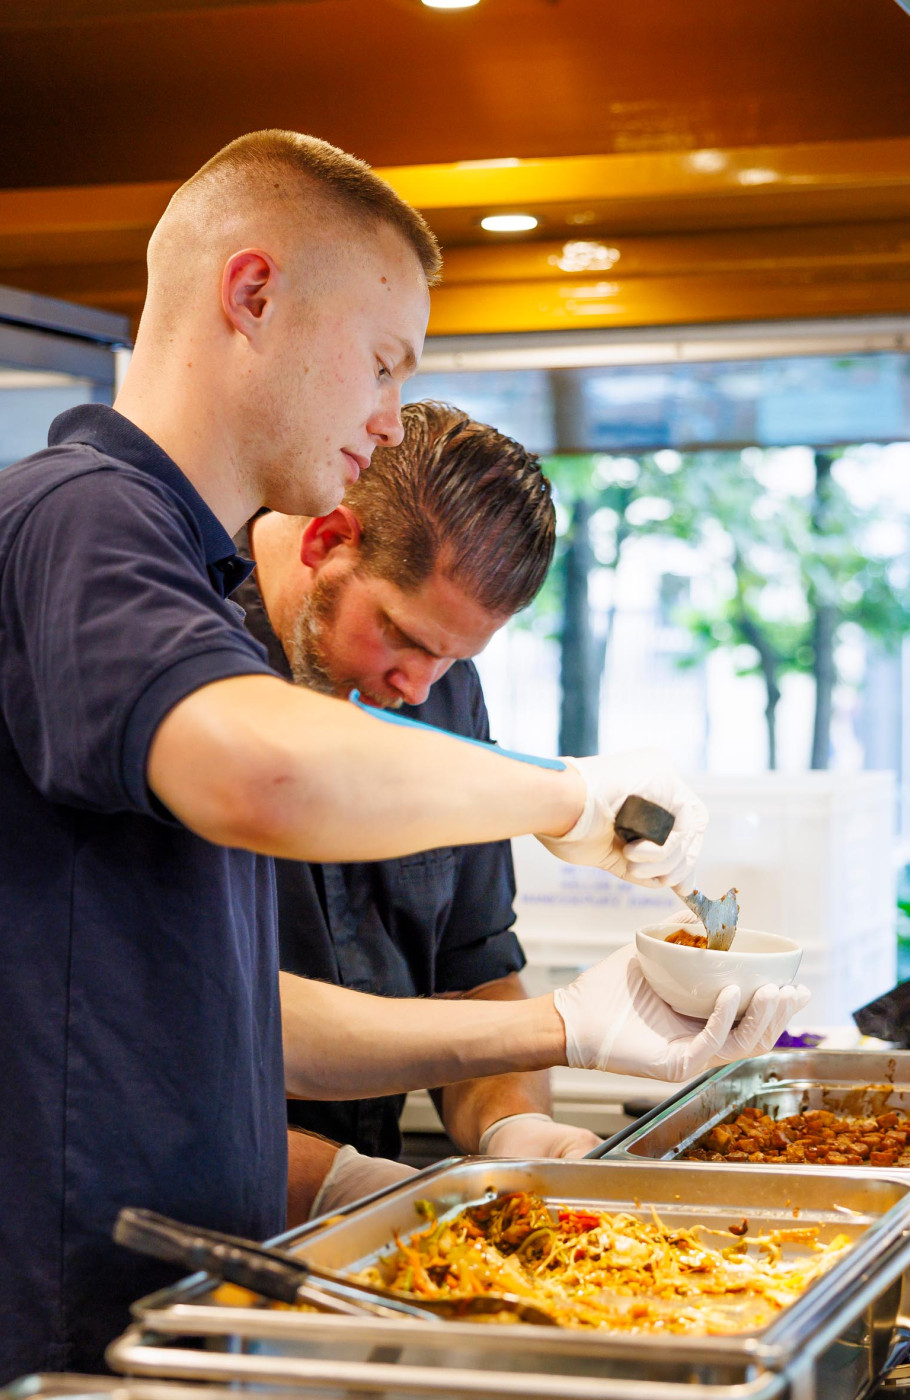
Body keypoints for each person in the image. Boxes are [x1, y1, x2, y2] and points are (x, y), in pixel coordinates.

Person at [0, 129, 807, 1381]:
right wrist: (566, 794)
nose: (385, 421)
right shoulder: (81, 514)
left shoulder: (185, 582)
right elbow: (263, 771)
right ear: (252, 295)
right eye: (383, 363)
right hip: (73, 1315)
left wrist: (556, 1041)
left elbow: (247, 1026)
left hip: (196, 1298)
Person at [236, 400, 603, 1219]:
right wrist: (347, 1191)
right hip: (191, 1225)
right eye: (402, 635)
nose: (419, 689)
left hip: (370, 1236)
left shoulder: (439, 690)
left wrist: (517, 1127)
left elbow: (473, 969)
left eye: (453, 658)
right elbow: (151, 1061)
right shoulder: (183, 661)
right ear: (328, 542)